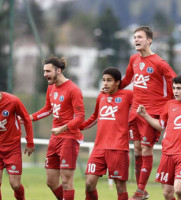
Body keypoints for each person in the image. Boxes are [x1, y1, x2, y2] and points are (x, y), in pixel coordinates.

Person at [120, 26, 181, 200]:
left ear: (149, 40)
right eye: (134, 37)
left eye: (140, 37)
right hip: (135, 110)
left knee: (147, 149)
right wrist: (112, 87)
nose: (136, 40)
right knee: (137, 149)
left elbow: (177, 82)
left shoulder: (159, 63)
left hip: (153, 111)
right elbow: (127, 80)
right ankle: (142, 190)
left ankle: (140, 190)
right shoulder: (133, 59)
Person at [30, 56, 85, 200]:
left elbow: (80, 117)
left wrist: (63, 128)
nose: (45, 75)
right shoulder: (51, 88)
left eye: (48, 71)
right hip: (55, 138)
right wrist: (30, 118)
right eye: (44, 71)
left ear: (58, 70)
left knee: (66, 182)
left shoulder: (74, 90)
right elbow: (48, 109)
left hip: (70, 138)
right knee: (51, 182)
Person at [80, 67, 132, 200]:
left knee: (120, 187)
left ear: (117, 82)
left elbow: (145, 101)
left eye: (109, 80)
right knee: (89, 184)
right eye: (103, 80)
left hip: (118, 148)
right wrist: (79, 127)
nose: (105, 83)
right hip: (99, 148)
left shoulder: (127, 95)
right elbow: (95, 117)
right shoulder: (101, 96)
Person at [0, 92, 35, 200]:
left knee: (15, 184)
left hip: (12, 148)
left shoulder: (13, 101)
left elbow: (27, 119)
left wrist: (30, 142)